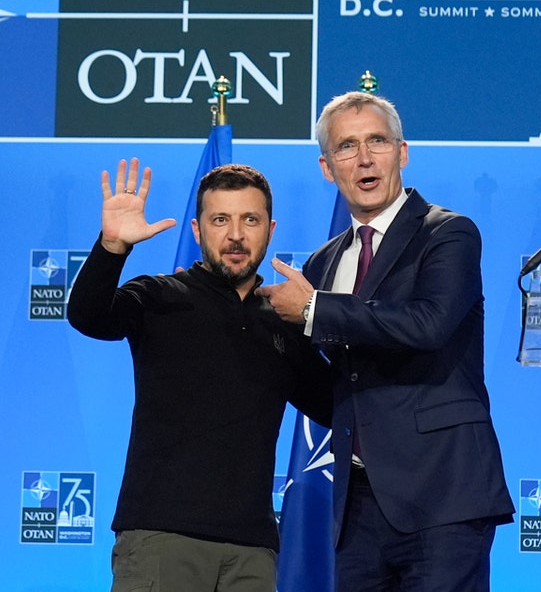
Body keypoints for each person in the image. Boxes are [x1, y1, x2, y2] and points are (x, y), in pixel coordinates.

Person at [256, 93, 515, 591]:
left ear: (402, 151)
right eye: (347, 147)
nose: (365, 157)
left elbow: (428, 324)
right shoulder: (322, 263)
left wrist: (312, 310)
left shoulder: (448, 233)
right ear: (328, 168)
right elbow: (334, 387)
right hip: (357, 509)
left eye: (377, 141)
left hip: (444, 497)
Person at [67, 158, 332, 592]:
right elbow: (89, 316)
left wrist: (332, 317)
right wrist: (112, 246)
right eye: (220, 219)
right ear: (197, 230)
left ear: (270, 229)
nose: (235, 235)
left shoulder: (283, 322)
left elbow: (338, 404)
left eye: (250, 219)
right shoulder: (159, 296)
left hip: (253, 552)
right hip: (161, 539)